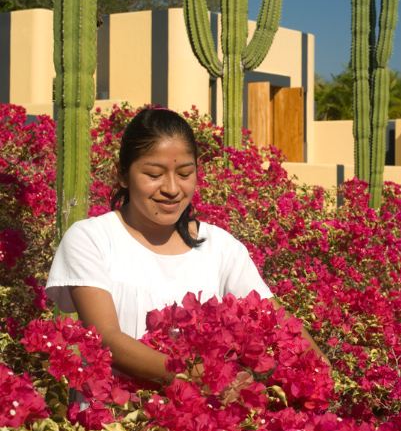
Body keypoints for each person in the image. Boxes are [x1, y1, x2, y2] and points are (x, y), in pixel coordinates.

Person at [46, 108, 328, 386]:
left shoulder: (222, 248)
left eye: (184, 173)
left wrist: (321, 375)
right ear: (121, 175)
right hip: (117, 427)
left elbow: (277, 323)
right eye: (154, 174)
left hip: (204, 424)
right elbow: (107, 338)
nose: (171, 188)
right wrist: (198, 378)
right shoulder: (91, 239)